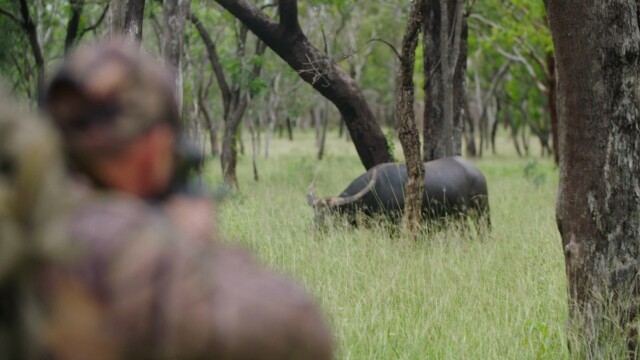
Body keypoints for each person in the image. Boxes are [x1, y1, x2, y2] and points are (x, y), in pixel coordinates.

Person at [1, 39, 333, 359]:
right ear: (155, 147)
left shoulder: (23, 207)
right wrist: (195, 248)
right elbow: (304, 332)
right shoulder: (114, 243)